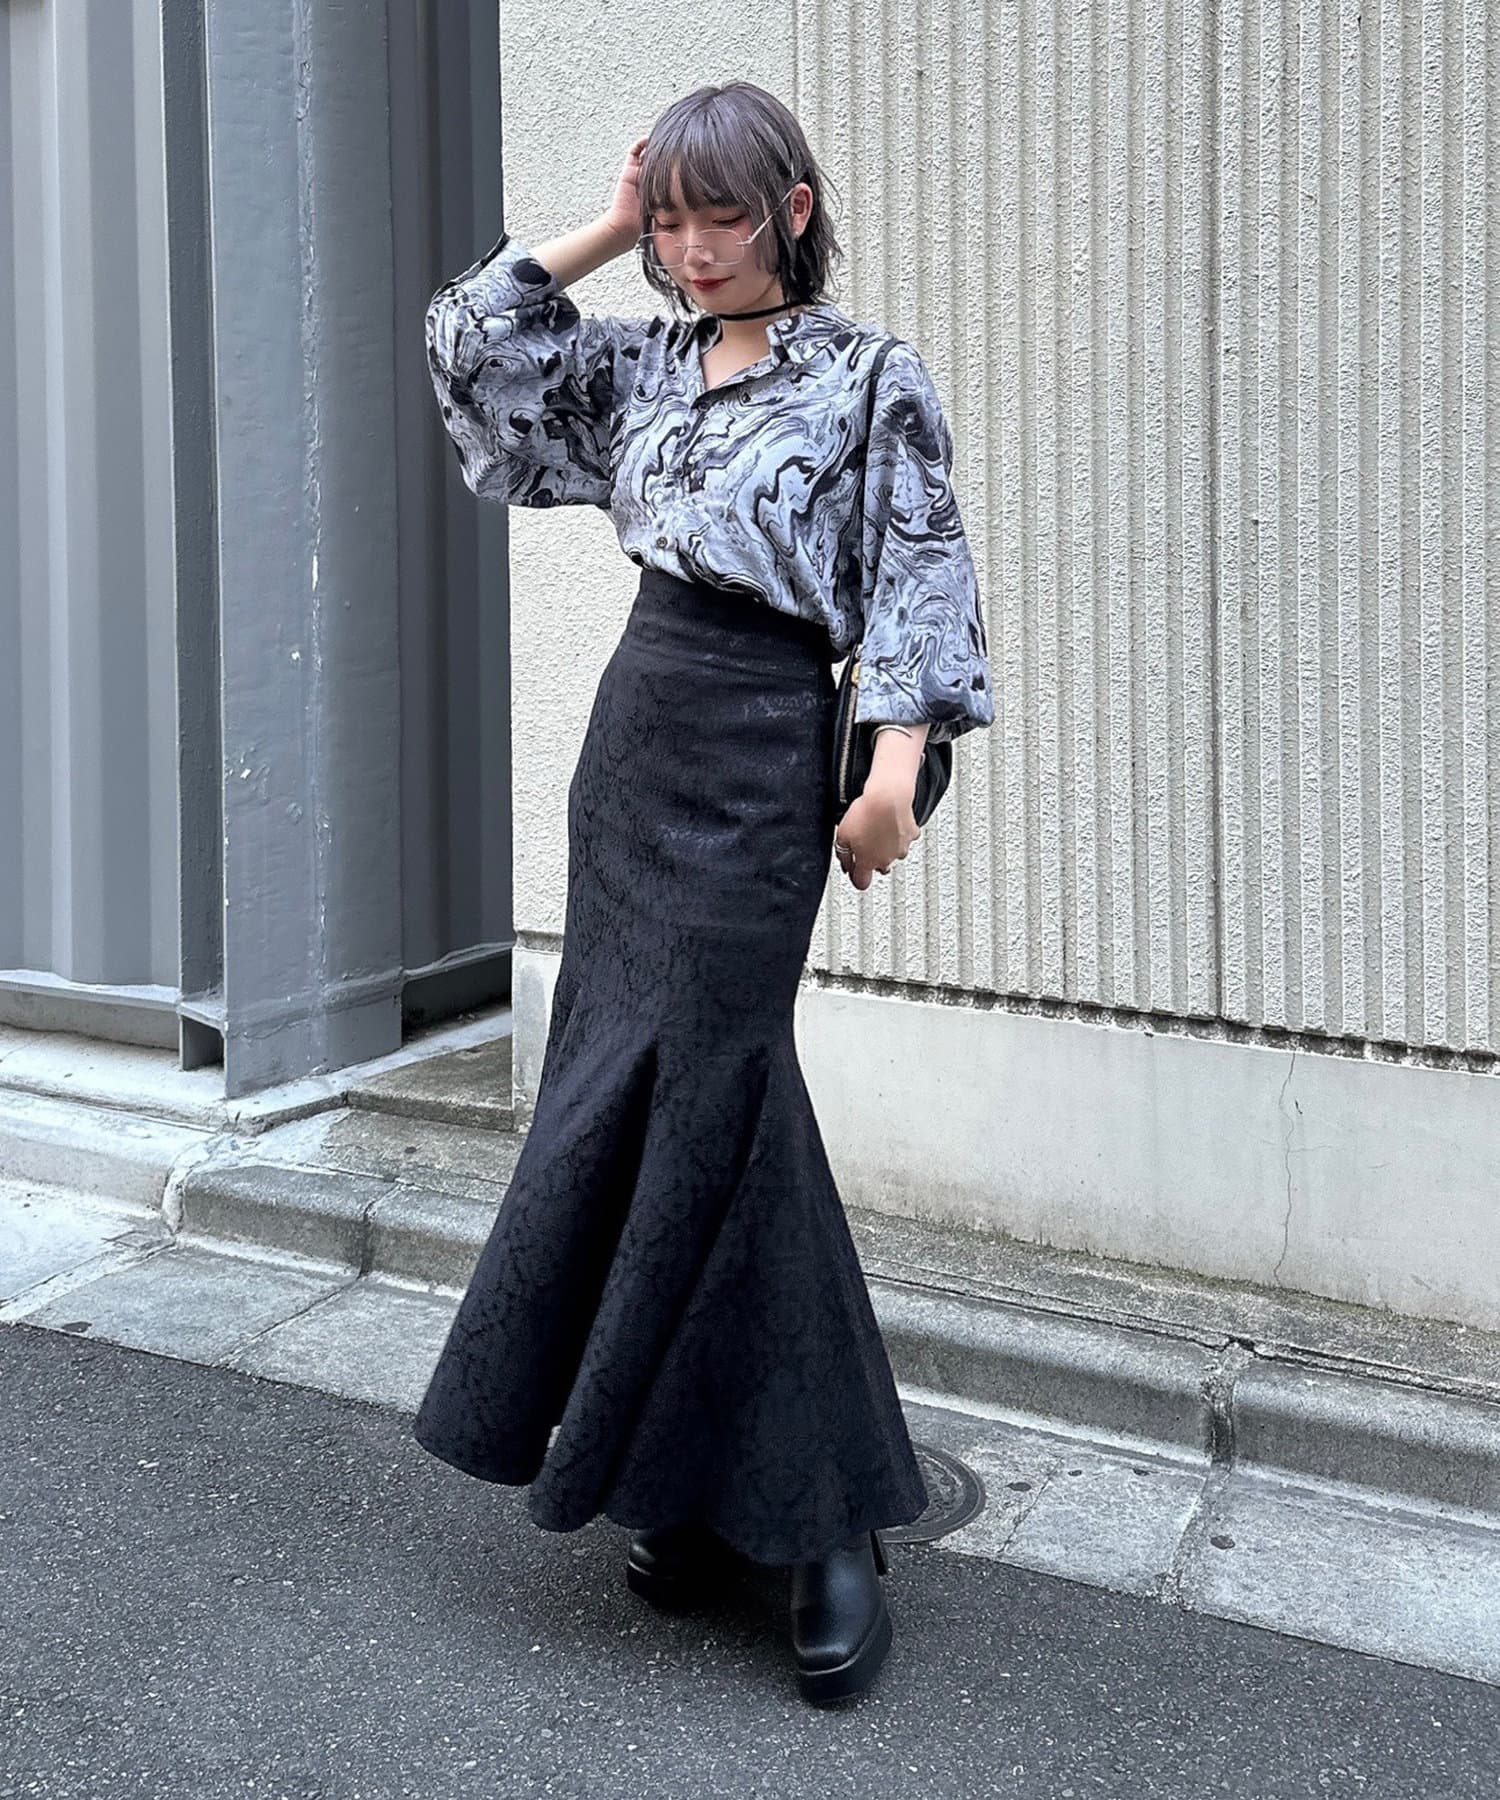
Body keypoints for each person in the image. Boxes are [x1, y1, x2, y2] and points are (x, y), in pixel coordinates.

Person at [411, 80, 995, 1707]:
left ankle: (825, 1520)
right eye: (670, 223)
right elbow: (471, 342)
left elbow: (920, 574)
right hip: (636, 749)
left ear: (792, 210)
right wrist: (609, 222)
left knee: (721, 1089)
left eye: (715, 217)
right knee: (641, 1095)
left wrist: (891, 774)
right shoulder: (646, 361)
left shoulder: (869, 376)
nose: (690, 250)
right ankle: (706, 1485)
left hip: (760, 754)